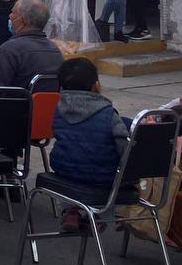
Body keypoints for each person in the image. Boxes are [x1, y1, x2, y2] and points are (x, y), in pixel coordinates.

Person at [49, 57, 129, 187]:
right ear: (96, 86)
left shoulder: (59, 111)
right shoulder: (108, 114)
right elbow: (125, 150)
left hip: (63, 171)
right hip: (103, 177)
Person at [0, 0, 64, 89]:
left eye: (13, 12)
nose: (9, 16)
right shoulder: (56, 51)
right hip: (50, 103)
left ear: (22, 20)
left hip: (18, 102)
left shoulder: (7, 51)